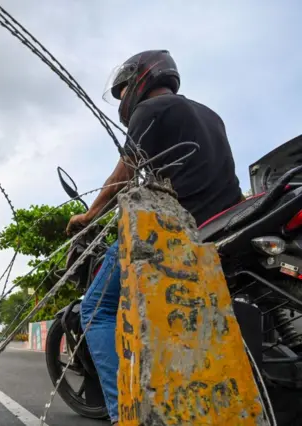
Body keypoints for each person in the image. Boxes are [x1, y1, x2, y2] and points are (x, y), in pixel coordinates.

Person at [66, 50, 243, 424]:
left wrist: (90, 214)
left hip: (176, 231)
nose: (123, 98)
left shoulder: (151, 111)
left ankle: (123, 415)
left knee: (94, 310)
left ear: (140, 80)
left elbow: (124, 175)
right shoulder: (210, 115)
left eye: (123, 89)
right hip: (225, 225)